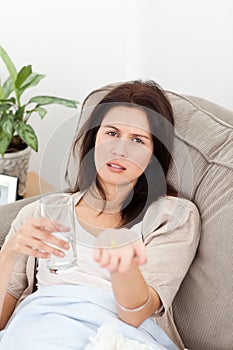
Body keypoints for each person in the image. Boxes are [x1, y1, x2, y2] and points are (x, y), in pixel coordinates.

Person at [0, 80, 200, 350]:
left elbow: (136, 314)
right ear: (94, 138)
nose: (120, 150)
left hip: (118, 336)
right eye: (112, 133)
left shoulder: (172, 216)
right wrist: (8, 253)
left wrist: (123, 267)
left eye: (138, 140)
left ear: (154, 154)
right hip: (41, 330)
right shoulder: (42, 213)